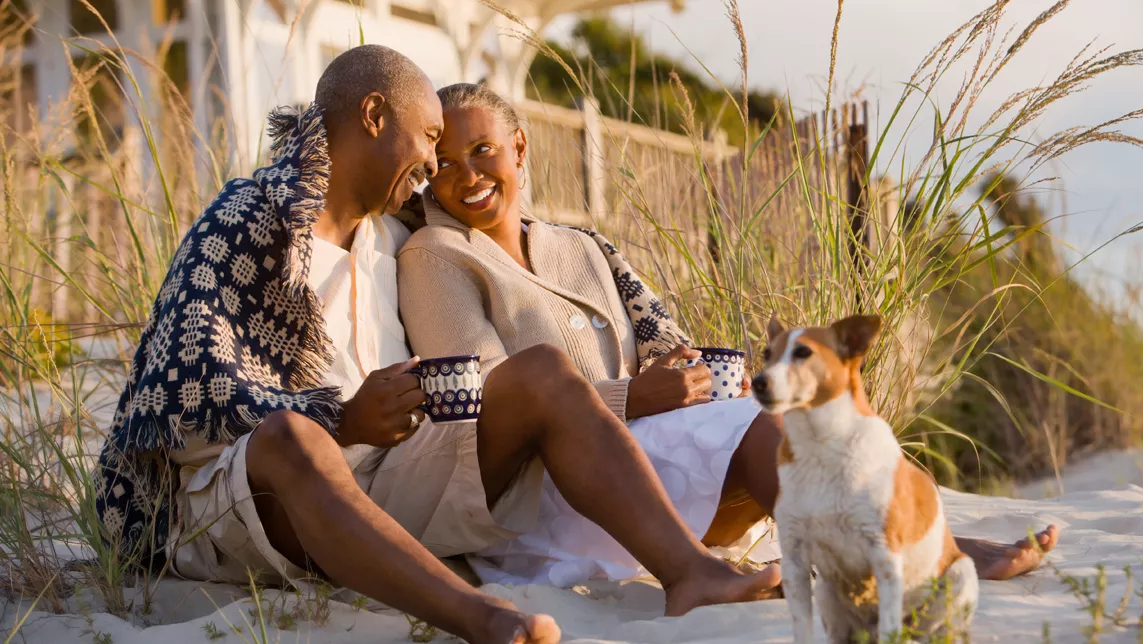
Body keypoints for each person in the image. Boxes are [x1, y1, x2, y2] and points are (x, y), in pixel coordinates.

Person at [93, 45, 778, 644]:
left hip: (387, 480)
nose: (431, 163)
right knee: (292, 439)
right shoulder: (252, 219)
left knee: (537, 374)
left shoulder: (392, 239)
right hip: (249, 498)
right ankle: (482, 621)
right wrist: (341, 418)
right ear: (372, 117)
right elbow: (177, 406)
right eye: (427, 138)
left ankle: (690, 572)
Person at [397, 82, 1060, 586]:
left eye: (481, 150)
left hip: (652, 471)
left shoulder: (582, 246)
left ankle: (915, 540)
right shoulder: (436, 254)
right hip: (553, 493)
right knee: (757, 429)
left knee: (785, 415)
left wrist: (686, 375)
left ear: (519, 148)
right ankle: (895, 557)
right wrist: (636, 399)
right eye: (445, 163)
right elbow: (484, 403)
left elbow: (665, 342)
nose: (467, 175)